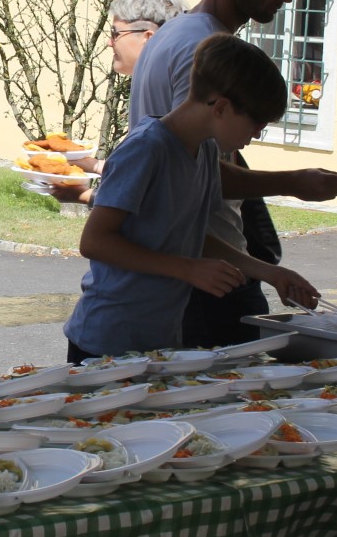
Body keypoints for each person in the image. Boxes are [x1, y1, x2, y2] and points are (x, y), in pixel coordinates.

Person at [128, 0, 337, 345]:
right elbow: (197, 173)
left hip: (203, 261)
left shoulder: (179, 34)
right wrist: (294, 181)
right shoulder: (202, 46)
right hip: (203, 275)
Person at [66, 34, 319, 359]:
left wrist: (273, 273)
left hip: (159, 341)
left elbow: (192, 235)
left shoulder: (205, 152)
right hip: (106, 341)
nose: (255, 135)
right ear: (222, 107)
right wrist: (187, 269)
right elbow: (95, 241)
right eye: (256, 124)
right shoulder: (146, 149)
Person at [49, 0, 187, 206]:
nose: (109, 42)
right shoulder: (156, 80)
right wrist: (90, 164)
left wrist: (85, 196)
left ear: (148, 37)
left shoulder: (168, 90)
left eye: (116, 33)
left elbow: (166, 184)